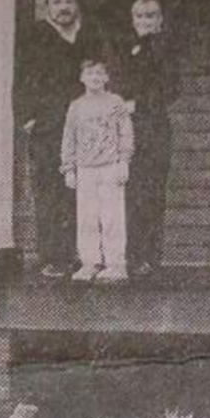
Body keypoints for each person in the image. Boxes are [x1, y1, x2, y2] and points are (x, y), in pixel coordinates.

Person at [18, 0, 104, 278]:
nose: (63, 7)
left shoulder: (89, 36)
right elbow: (22, 75)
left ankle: (86, 255)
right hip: (49, 125)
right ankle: (54, 257)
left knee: (86, 187)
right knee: (50, 189)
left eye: (69, 1)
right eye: (57, 2)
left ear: (76, 5)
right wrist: (29, 117)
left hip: (86, 122)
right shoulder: (35, 35)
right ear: (47, 6)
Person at [120, 0, 179, 276]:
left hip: (153, 129)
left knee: (151, 192)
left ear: (160, 20)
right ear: (133, 20)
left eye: (150, 16)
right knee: (129, 191)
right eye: (140, 16)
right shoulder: (127, 50)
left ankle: (149, 257)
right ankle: (128, 256)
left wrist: (140, 104)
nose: (144, 21)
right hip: (126, 128)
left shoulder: (165, 50)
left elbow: (171, 88)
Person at [60, 59, 134, 283]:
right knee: (87, 218)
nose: (95, 77)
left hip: (110, 166)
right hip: (85, 169)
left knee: (112, 217)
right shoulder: (76, 106)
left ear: (107, 78)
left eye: (100, 73)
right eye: (90, 73)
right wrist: (69, 168)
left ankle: (116, 265)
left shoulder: (116, 102)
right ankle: (90, 263)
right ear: (82, 78)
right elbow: (69, 138)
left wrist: (124, 162)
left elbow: (126, 133)